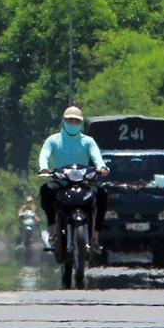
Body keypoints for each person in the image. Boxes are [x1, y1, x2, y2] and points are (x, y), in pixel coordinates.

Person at [38, 106, 110, 252]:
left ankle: (95, 237)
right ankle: (54, 229)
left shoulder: (88, 141)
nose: (73, 123)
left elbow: (96, 156)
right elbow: (44, 154)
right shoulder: (53, 140)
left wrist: (102, 167)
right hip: (61, 183)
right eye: (70, 120)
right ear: (63, 121)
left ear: (81, 123)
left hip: (83, 183)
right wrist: (43, 168)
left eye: (76, 121)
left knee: (102, 194)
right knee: (46, 190)